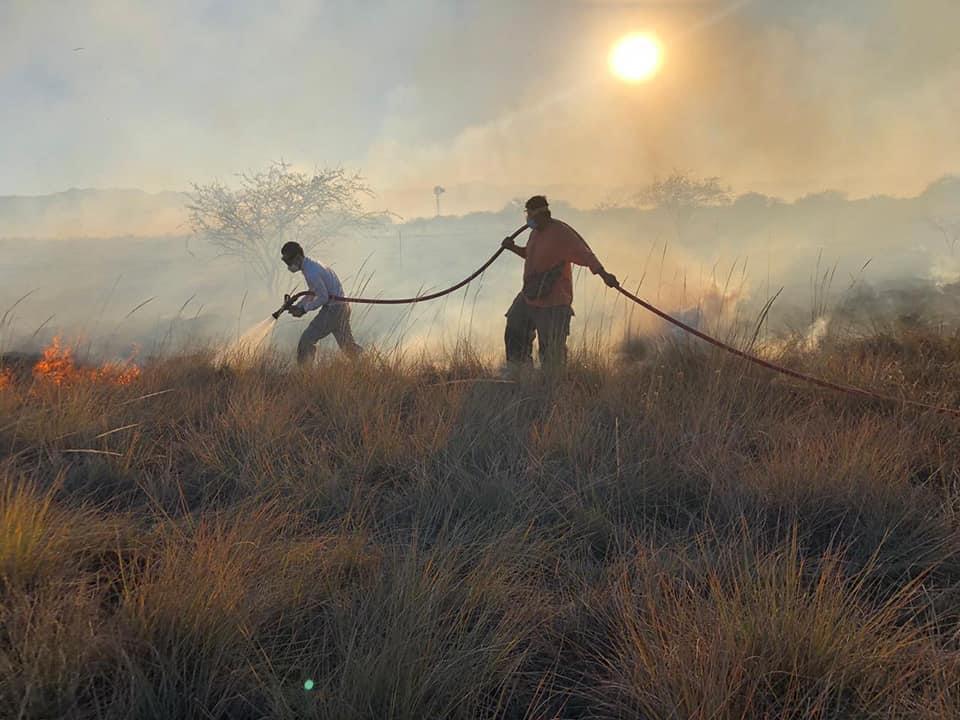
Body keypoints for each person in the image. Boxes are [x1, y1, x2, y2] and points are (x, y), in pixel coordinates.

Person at [500, 196, 618, 366]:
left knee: (551, 351)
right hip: (530, 296)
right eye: (527, 215)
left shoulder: (562, 234)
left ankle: (553, 384)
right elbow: (529, 254)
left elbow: (586, 255)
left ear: (542, 215)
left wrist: (604, 275)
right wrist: (512, 248)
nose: (528, 219)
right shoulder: (535, 233)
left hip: (553, 303)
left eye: (530, 215)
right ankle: (519, 372)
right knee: (515, 324)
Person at [280, 241, 362, 364]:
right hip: (341, 308)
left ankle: (304, 375)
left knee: (307, 340)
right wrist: (298, 306)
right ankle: (367, 364)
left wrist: (304, 309)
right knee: (348, 346)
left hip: (333, 310)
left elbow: (323, 297)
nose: (289, 266)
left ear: (297, 258)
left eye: (289, 262)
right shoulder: (311, 266)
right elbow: (313, 292)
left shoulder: (312, 272)